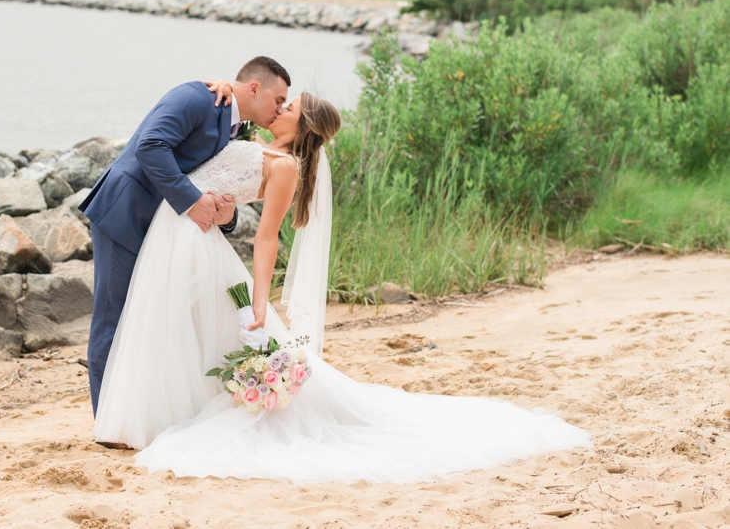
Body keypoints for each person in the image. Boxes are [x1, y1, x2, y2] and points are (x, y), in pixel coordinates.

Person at [94, 91, 592, 485]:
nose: (280, 107)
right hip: (183, 233)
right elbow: (216, 169)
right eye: (280, 100)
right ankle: (154, 415)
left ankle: (150, 419)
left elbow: (266, 239)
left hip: (193, 243)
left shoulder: (285, 166)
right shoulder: (250, 134)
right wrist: (223, 192)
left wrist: (262, 301)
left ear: (302, 126)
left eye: (289, 106)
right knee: (173, 326)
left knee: (182, 326)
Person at [78, 57, 291, 421]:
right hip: (126, 213)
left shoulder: (233, 122)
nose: (280, 109)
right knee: (113, 317)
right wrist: (193, 201)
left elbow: (211, 178)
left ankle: (137, 413)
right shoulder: (196, 97)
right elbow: (150, 146)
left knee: (146, 321)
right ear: (254, 88)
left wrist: (225, 215)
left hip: (166, 231)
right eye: (279, 99)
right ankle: (107, 420)